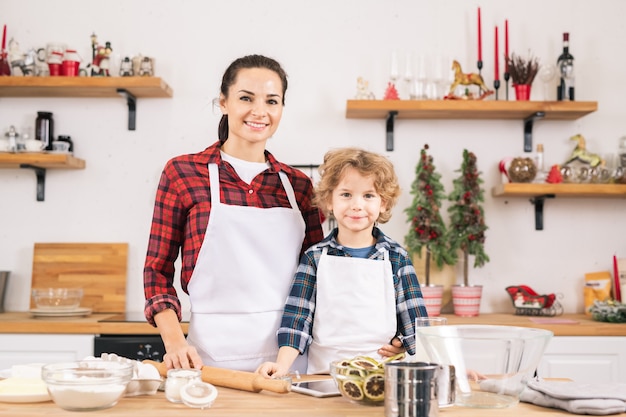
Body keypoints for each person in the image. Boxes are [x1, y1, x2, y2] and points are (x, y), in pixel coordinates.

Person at [143, 54, 324, 373]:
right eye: (246, 98)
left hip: (290, 361)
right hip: (208, 361)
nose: (260, 111)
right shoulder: (183, 173)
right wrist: (174, 342)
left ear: (281, 108)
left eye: (272, 100)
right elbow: (156, 271)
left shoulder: (299, 186)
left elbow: (317, 279)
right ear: (223, 102)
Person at [257, 148, 428, 377]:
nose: (357, 205)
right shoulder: (314, 258)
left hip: (382, 377)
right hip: (323, 376)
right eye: (346, 194)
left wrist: (448, 364)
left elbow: (416, 325)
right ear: (329, 201)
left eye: (368, 196)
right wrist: (282, 365)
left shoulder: (397, 258)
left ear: (383, 203)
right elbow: (297, 321)